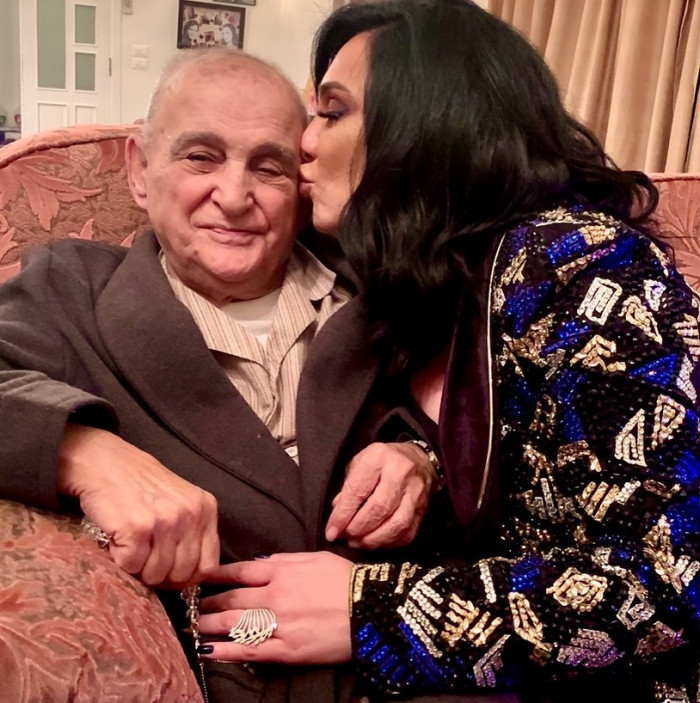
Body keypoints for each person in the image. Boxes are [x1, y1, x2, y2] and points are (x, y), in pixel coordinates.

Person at [195, 2, 700, 702]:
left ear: (427, 125)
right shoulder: (416, 280)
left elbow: (676, 578)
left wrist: (372, 611)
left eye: (332, 112)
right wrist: (424, 459)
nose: (302, 143)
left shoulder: (584, 265)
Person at [0, 47, 436, 702]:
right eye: (201, 157)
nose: (233, 197)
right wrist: (84, 452)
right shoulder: (73, 288)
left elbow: (481, 427)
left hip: (410, 656)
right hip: (224, 677)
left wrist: (419, 458)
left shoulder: (379, 289)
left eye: (269, 167)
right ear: (140, 169)